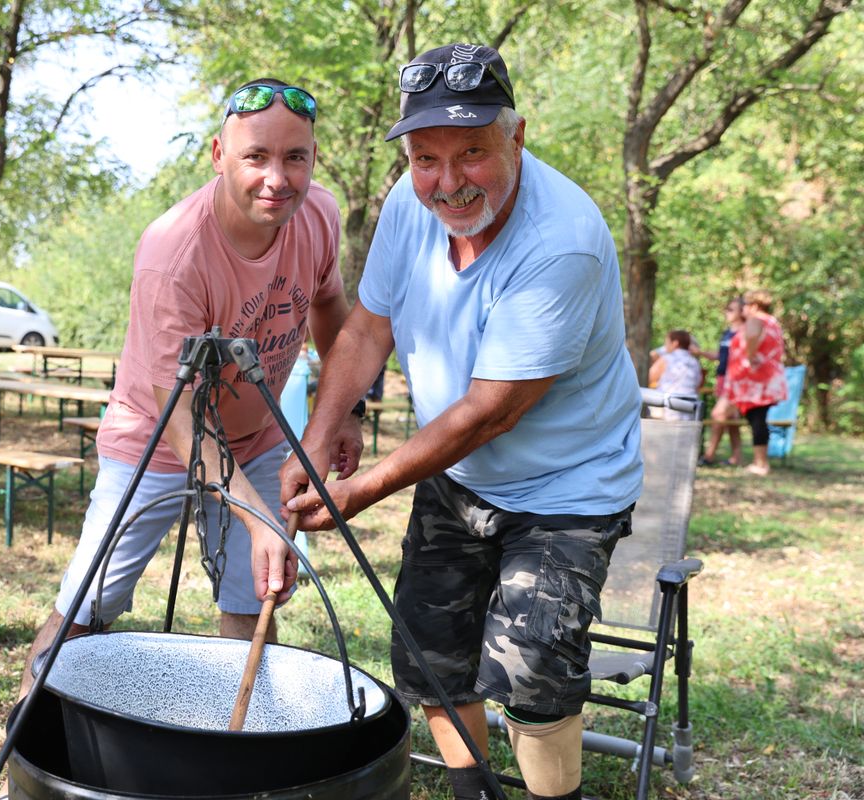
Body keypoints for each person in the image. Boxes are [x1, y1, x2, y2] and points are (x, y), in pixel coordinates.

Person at [280, 44, 642, 800]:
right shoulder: (408, 208)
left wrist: (363, 488)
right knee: (428, 657)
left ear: (516, 135)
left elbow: (491, 411)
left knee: (534, 667)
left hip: (566, 490)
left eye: (472, 152)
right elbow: (369, 327)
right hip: (458, 478)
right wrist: (317, 439)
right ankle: (476, 793)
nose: (447, 182)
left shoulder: (560, 241)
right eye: (426, 157)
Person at [21, 77, 359, 692]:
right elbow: (179, 421)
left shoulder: (320, 216)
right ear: (218, 155)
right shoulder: (173, 251)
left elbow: (331, 306)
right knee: (89, 603)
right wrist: (258, 517)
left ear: (313, 158)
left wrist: (346, 412)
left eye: (295, 157)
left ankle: (244, 749)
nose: (276, 178)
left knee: (254, 592)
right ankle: (29, 734)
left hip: (255, 439)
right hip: (152, 439)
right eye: (255, 156)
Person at [724, 289, 787, 476]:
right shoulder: (771, 321)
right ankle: (759, 461)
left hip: (757, 380)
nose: (743, 309)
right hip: (764, 378)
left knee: (758, 419)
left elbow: (751, 336)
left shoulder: (757, 319)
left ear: (754, 306)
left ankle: (761, 464)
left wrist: (750, 356)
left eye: (745, 305)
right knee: (757, 419)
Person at [698, 297, 746, 466]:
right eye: (727, 309)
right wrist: (699, 352)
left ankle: (709, 456)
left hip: (735, 380)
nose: (727, 312)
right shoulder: (727, 333)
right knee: (731, 418)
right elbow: (720, 356)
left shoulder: (745, 332)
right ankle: (736, 457)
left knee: (718, 414)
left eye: (731, 309)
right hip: (722, 377)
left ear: (742, 311)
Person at [648, 329, 704, 419]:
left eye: (667, 343)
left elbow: (649, 378)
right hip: (690, 406)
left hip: (668, 407)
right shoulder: (694, 362)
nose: (665, 346)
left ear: (675, 343)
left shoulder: (666, 359)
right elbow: (698, 385)